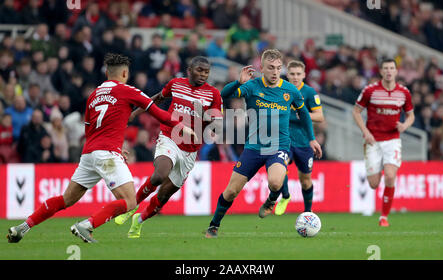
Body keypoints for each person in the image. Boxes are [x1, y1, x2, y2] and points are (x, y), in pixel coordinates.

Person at [7, 53, 196, 243]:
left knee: (66, 199)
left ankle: (22, 228)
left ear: (107, 72)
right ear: (124, 72)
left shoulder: (93, 95)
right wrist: (183, 127)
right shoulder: (127, 90)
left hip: (89, 153)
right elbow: (158, 113)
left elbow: (89, 129)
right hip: (106, 153)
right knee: (130, 202)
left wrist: (113, 146)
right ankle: (86, 226)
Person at [204, 49, 322, 238]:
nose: (275, 72)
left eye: (278, 68)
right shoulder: (252, 86)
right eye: (270, 68)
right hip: (253, 147)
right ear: (262, 68)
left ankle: (270, 201)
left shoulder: (290, 90)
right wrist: (238, 82)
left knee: (275, 182)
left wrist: (311, 139)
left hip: (279, 146)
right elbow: (224, 95)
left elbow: (305, 115)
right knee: (231, 191)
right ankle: (214, 225)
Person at [114, 56, 223, 239]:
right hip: (169, 138)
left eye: (206, 72)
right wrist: (134, 114)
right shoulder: (176, 84)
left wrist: (206, 116)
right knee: (159, 175)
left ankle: (139, 221)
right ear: (189, 70)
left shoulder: (213, 94)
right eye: (199, 70)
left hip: (190, 151)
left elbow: (218, 125)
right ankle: (131, 206)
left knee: (164, 195)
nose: (203, 75)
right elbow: (156, 99)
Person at [352, 58, 414, 227]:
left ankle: (384, 217)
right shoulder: (370, 90)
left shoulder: (403, 92)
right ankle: (376, 168)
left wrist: (405, 125)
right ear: (380, 71)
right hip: (372, 140)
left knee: (390, 175)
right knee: (373, 184)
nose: (388, 71)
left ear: (396, 71)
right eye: (385, 68)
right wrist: (365, 132)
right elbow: (356, 112)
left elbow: (411, 115)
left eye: (391, 68)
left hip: (392, 140)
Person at [260, 60, 324, 217]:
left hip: (304, 142)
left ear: (304, 75)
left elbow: (320, 116)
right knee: (280, 169)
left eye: (298, 74)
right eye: (292, 74)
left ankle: (308, 212)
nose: (295, 77)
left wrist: (302, 114)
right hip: (284, 139)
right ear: (287, 75)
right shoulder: (279, 89)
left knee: (305, 180)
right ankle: (286, 196)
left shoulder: (309, 92)